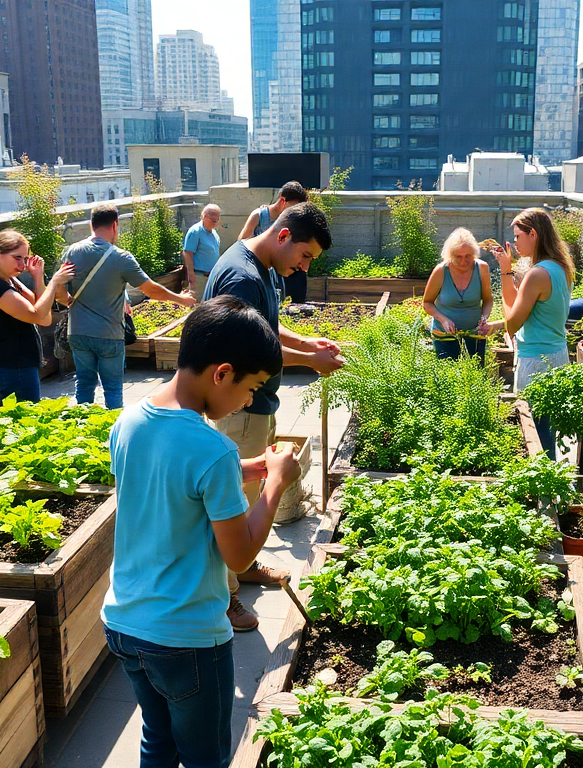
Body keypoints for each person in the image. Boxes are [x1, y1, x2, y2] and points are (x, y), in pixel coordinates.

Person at [102, 296, 301, 768]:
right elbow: (238, 556)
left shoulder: (129, 420)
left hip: (127, 624)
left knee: (159, 738)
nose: (250, 399)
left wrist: (249, 467)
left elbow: (176, 483)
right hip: (186, 639)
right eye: (251, 387)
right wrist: (274, 483)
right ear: (222, 373)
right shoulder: (211, 448)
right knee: (205, 756)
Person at [202, 201, 343, 630]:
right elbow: (247, 351)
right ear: (284, 235)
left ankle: (242, 570)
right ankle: (224, 600)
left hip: (257, 403)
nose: (303, 268)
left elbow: (265, 327)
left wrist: (307, 341)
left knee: (245, 496)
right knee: (230, 502)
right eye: (304, 257)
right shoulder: (242, 276)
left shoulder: (261, 265)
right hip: (239, 406)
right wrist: (310, 363)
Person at [57, 203, 194, 410]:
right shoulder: (121, 257)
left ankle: (83, 428)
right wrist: (181, 299)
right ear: (115, 225)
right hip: (108, 333)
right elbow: (152, 290)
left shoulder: (72, 252)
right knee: (112, 388)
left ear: (91, 225)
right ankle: (112, 434)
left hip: (77, 332)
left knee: (84, 384)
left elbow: (58, 291)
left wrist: (69, 301)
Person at [492, 208, 574, 460]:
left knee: (536, 434)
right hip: (557, 355)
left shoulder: (536, 274)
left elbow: (512, 324)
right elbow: (522, 308)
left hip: (536, 361)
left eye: (518, 236)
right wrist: (508, 271)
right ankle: (550, 488)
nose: (514, 242)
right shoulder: (559, 267)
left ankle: (546, 494)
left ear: (533, 234)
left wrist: (506, 272)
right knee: (547, 428)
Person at [0, 229, 75, 402]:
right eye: (17, 257)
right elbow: (36, 315)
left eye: (25, 258)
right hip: (13, 366)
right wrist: (55, 282)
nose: (22, 264)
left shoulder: (9, 280)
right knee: (25, 422)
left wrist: (37, 277)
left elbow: (44, 317)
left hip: (20, 365)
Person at [422, 227, 494, 359]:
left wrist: (484, 319)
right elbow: (427, 303)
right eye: (458, 257)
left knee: (475, 374)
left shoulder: (482, 268)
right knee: (448, 374)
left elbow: (488, 300)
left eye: (468, 256)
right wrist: (443, 319)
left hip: (474, 334)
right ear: (450, 255)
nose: (463, 261)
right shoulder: (441, 271)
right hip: (445, 337)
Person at [239, 181, 309, 303]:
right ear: (283, 200)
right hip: (263, 272)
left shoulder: (292, 219)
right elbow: (242, 243)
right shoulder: (259, 216)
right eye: (293, 207)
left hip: (285, 271)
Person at [182, 204, 222, 295]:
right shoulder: (195, 231)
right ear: (204, 216)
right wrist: (191, 274)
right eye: (213, 220)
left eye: (217, 220)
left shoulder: (214, 232)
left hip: (211, 276)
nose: (215, 223)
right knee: (197, 303)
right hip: (199, 276)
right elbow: (187, 253)